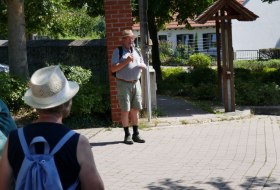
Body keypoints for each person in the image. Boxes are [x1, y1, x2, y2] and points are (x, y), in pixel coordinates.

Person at [0, 65, 104, 190]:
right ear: (67, 102)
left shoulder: (14, 138)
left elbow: (3, 185)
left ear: (36, 105)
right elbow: (95, 187)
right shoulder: (77, 142)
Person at [111, 29, 147, 145]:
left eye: (133, 38)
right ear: (124, 39)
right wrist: (126, 62)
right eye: (130, 38)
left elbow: (142, 63)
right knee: (125, 110)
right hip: (123, 83)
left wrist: (143, 66)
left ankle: (136, 134)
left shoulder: (136, 50)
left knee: (135, 109)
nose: (132, 40)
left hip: (136, 82)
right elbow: (113, 69)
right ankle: (127, 135)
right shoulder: (118, 51)